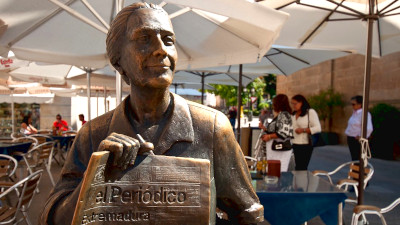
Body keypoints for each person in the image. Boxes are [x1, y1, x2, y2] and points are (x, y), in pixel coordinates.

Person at [40, 3, 263, 225]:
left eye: (168, 40)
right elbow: (51, 219)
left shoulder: (211, 127)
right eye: (144, 39)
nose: (161, 49)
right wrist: (95, 177)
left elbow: (249, 215)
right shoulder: (93, 134)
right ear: (118, 61)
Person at [261, 94, 294, 172]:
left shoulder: (284, 115)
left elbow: (283, 133)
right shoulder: (282, 114)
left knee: (278, 171)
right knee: (274, 170)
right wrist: (264, 128)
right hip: (276, 150)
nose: (273, 105)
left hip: (279, 150)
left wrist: (268, 137)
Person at [291, 94, 321, 170]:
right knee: (296, 167)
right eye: (292, 104)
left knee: (302, 168)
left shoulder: (310, 112)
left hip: (305, 144)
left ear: (301, 103)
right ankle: (298, 182)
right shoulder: (293, 114)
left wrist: (303, 130)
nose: (293, 106)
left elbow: (318, 128)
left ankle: (302, 182)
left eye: (295, 103)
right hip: (294, 144)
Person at [345, 95, 373, 161]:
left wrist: (361, 136)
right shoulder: (355, 113)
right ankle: (355, 170)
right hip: (351, 138)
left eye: (353, 104)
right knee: (354, 159)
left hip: (357, 140)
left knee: (359, 160)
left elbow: (369, 128)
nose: (352, 106)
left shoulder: (364, 114)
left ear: (360, 104)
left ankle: (358, 171)